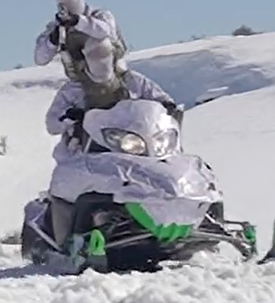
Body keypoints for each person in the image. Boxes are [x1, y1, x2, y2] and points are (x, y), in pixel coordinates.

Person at [40, 68, 179, 272]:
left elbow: (160, 99)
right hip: (88, 146)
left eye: (104, 53)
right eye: (93, 54)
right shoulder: (73, 88)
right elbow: (52, 122)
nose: (100, 61)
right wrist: (69, 117)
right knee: (75, 177)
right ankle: (73, 237)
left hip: (136, 145)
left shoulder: (133, 80)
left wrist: (167, 107)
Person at [34, 0, 130, 109]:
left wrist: (78, 21)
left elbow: (105, 32)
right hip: (82, 86)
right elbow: (40, 59)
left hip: (116, 79)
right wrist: (53, 39)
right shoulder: (59, 26)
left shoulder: (101, 16)